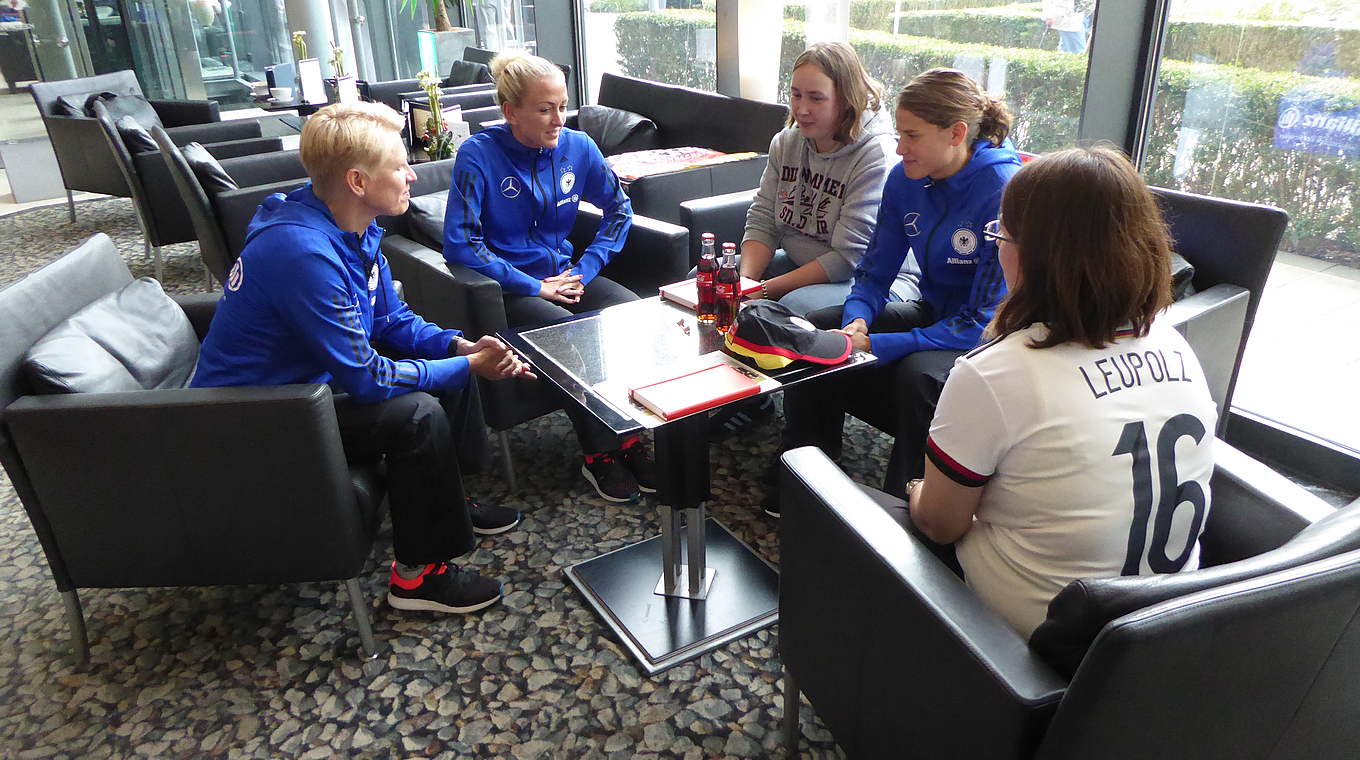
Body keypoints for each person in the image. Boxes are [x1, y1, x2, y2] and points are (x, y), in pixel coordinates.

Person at [192, 101, 529, 615]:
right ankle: (417, 579)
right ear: (357, 180)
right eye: (399, 165)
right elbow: (369, 378)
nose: (412, 173)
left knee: (449, 368)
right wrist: (467, 365)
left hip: (308, 386)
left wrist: (459, 348)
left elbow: (390, 322)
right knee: (416, 412)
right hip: (254, 416)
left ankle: (447, 500)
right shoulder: (303, 252)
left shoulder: (354, 227)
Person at [905, 145, 1217, 638]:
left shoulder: (996, 372)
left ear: (1033, 256)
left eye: (1002, 234)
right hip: (1166, 633)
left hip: (1030, 650)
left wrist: (913, 489)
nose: (997, 247)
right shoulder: (1177, 346)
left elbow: (941, 526)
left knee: (876, 510)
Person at [774, 67, 1022, 512]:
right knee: (817, 329)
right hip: (935, 312)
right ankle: (807, 467)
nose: (899, 146)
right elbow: (874, 270)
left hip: (987, 336)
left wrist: (883, 343)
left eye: (912, 135)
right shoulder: (904, 178)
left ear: (956, 134)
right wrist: (856, 320)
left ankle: (901, 512)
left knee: (918, 375)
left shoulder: (1001, 190)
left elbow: (984, 320)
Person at [442, 51, 655, 504]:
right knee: (569, 334)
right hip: (508, 288)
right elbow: (461, 245)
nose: (558, 118)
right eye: (544, 109)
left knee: (633, 314)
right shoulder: (477, 155)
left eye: (562, 105)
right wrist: (534, 286)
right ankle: (599, 454)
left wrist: (586, 268)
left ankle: (631, 437)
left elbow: (620, 210)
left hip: (567, 273)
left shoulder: (579, 147)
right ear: (510, 112)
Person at [737, 41, 896, 316]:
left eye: (816, 98)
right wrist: (743, 283)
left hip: (863, 280)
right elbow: (763, 220)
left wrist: (761, 292)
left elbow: (848, 258)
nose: (802, 109)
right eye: (796, 95)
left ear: (846, 101)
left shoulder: (875, 155)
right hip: (797, 262)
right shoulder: (786, 142)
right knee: (708, 278)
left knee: (790, 309)